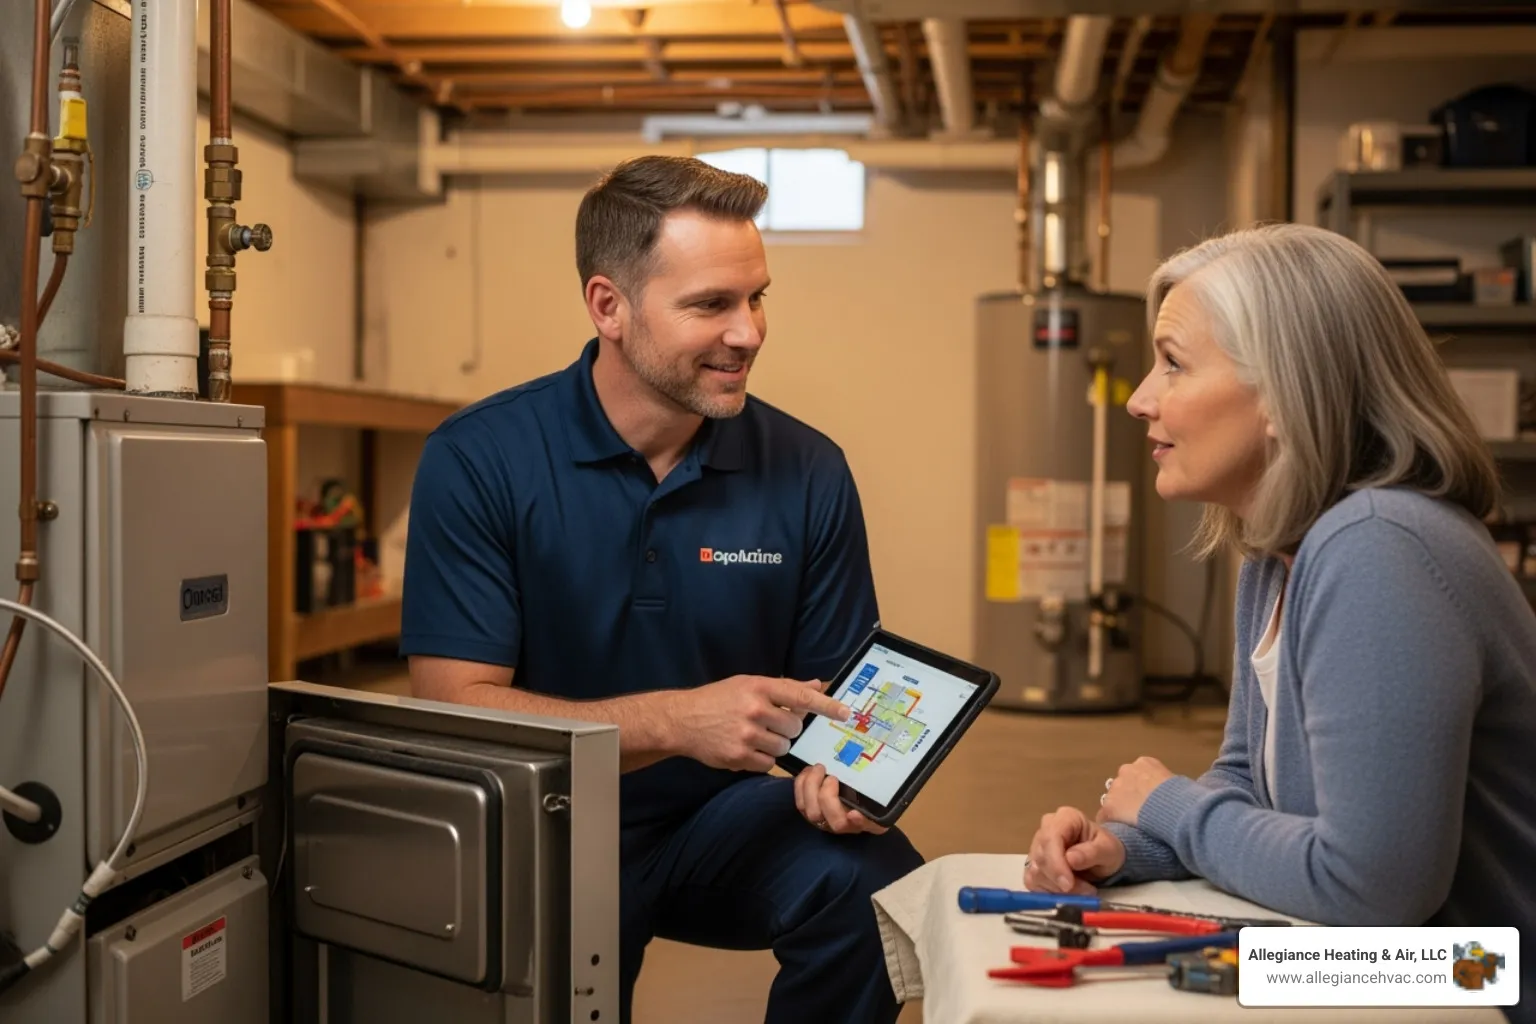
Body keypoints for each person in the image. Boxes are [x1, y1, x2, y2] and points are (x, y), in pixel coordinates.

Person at [399, 155, 922, 1024]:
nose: (749, 331)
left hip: (725, 823)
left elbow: (841, 698)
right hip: (544, 825)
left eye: (756, 298)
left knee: (876, 885)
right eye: (711, 304)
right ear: (609, 305)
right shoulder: (481, 457)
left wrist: (850, 779)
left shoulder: (806, 470)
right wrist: (680, 721)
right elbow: (458, 707)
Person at [1025, 224, 1536, 1009]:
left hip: (1480, 986)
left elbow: (1371, 891)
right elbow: (1249, 785)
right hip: (1411, 972)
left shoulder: (1378, 548)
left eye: (1173, 363)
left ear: (1284, 391)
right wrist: (1127, 848)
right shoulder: (1276, 552)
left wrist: (1167, 804)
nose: (1139, 399)